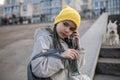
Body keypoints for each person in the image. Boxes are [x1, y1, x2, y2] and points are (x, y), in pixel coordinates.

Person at [27, 6, 90, 80]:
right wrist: (61, 57)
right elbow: (37, 69)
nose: (67, 30)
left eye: (71, 29)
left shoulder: (67, 41)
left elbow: (75, 68)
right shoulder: (44, 38)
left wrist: (78, 47)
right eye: (65, 24)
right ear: (57, 21)